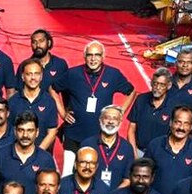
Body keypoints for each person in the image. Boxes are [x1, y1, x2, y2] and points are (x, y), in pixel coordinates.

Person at [57, 41, 136, 169]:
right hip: (74, 133)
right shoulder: (73, 74)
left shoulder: (113, 74)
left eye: (97, 55)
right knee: (67, 173)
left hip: (99, 136)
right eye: (90, 55)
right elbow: (53, 88)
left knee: (94, 172)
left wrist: (120, 111)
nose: (93, 59)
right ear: (84, 56)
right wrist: (62, 112)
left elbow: (131, 91)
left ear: (103, 56)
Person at [0, 112, 56, 194]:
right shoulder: (0, 155)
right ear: (15, 131)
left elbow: (52, 190)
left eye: (30, 130)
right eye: (21, 130)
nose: (25, 135)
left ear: (37, 132)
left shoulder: (46, 159)